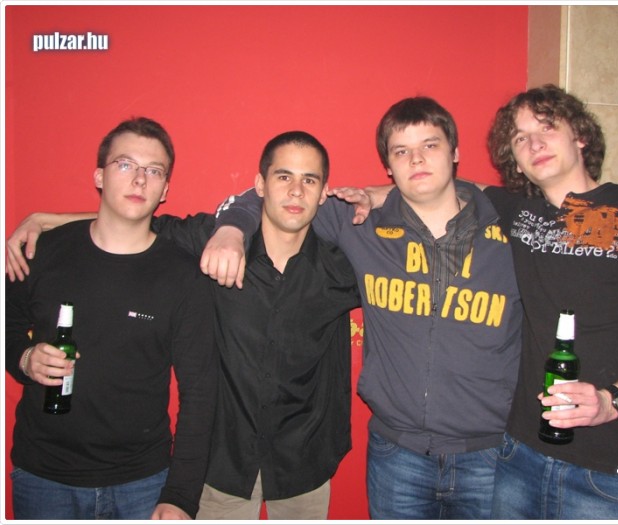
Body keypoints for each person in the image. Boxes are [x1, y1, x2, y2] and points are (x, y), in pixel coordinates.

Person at [5, 131, 361, 520]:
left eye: (309, 180)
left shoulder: (343, 267)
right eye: (283, 176)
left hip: (304, 463)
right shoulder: (211, 242)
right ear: (259, 185)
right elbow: (136, 221)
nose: (295, 191)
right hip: (222, 467)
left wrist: (377, 196)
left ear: (323, 193)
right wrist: (50, 221)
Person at [198, 97, 524, 519]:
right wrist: (231, 228)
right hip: (398, 457)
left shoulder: (511, 229)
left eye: (430, 146)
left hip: (491, 455)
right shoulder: (360, 223)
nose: (417, 160)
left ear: (455, 152)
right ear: (388, 165)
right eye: (401, 151)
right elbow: (279, 197)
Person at [480, 84, 618, 519]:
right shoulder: (515, 211)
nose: (534, 143)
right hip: (519, 458)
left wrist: (615, 400)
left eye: (547, 127)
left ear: (579, 135)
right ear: (515, 160)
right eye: (520, 138)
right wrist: (372, 194)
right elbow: (437, 188)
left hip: (614, 474)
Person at [4, 117, 219, 520]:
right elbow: (7, 323)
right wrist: (24, 358)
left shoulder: (184, 276)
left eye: (153, 170)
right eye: (125, 164)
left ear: (165, 189)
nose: (139, 179)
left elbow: (201, 393)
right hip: (44, 477)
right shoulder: (41, 252)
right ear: (99, 176)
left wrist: (180, 495)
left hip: (143, 483)